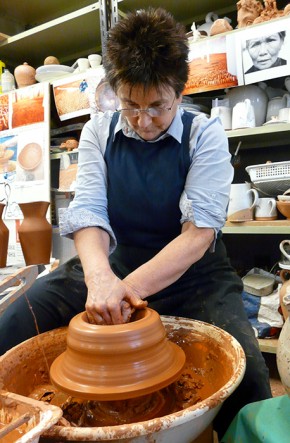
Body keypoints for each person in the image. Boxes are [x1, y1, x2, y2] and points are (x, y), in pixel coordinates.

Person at [0, 7, 271, 439]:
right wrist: (100, 279)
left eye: (157, 107)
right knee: (14, 323)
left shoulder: (205, 134)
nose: (143, 121)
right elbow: (88, 212)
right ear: (116, 93)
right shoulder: (98, 132)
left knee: (250, 382)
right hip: (117, 263)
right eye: (131, 105)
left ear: (180, 94)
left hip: (195, 274)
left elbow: (199, 234)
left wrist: (128, 291)